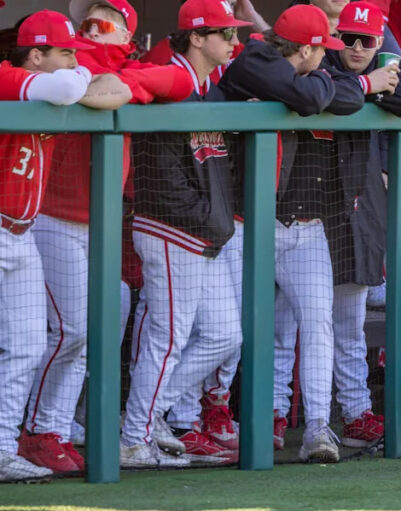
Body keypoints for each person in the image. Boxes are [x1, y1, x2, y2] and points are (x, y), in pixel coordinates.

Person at [215, 3, 366, 463]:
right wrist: (321, 87)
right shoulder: (255, 61)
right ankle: (200, 416)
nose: (333, 56)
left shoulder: (302, 72)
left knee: (316, 325)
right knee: (226, 330)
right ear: (305, 48)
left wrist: (331, 84)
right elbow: (309, 98)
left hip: (304, 224)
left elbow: (348, 97)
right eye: (325, 50)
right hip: (245, 221)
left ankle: (318, 425)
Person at [272, 1, 401, 449]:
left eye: (367, 40)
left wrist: (378, 83)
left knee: (347, 325)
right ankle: (277, 413)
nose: (356, 48)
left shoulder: (385, 65)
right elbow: (331, 91)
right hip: (297, 212)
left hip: (353, 218)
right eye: (349, 39)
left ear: (380, 42)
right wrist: (366, 85)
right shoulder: (322, 65)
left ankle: (354, 410)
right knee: (282, 328)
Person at [120, 0, 253, 468]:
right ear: (197, 37)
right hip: (170, 230)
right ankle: (134, 437)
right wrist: (207, 218)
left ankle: (146, 415)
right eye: (225, 34)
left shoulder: (208, 89)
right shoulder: (167, 80)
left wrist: (213, 221)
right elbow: (161, 177)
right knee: (168, 336)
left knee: (224, 334)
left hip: (202, 233)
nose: (234, 42)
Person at [1, 10, 129, 481]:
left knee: (28, 344)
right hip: (8, 227)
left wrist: (80, 75)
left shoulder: (47, 84)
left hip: (20, 232)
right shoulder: (8, 76)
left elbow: (119, 91)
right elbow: (67, 89)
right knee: (32, 340)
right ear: (36, 54)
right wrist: (79, 76)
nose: (76, 60)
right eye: (65, 52)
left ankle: (7, 443)